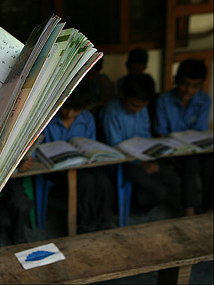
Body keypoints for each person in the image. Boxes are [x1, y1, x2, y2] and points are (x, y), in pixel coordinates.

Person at [99, 74, 181, 213]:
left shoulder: (142, 109)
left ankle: (138, 199)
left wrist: (154, 153)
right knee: (158, 191)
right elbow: (115, 146)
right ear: (122, 94)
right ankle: (133, 206)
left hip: (143, 157)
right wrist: (142, 164)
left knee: (174, 180)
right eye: (134, 105)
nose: (137, 110)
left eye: (142, 107)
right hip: (124, 163)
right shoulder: (111, 112)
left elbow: (146, 136)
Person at [41, 81, 115, 233]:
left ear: (82, 109)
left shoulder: (87, 119)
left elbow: (90, 144)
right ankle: (85, 226)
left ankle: (103, 223)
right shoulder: (48, 120)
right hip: (56, 169)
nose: (69, 114)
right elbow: (40, 149)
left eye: (75, 110)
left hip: (83, 165)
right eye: (66, 108)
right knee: (86, 182)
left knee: (103, 181)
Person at [153, 59, 213, 215]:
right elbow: (161, 132)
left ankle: (209, 208)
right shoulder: (164, 101)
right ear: (175, 80)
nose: (188, 90)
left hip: (196, 147)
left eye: (195, 86)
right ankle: (189, 209)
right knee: (190, 162)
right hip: (173, 149)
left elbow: (201, 130)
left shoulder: (204, 100)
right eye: (185, 84)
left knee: (211, 161)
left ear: (201, 85)